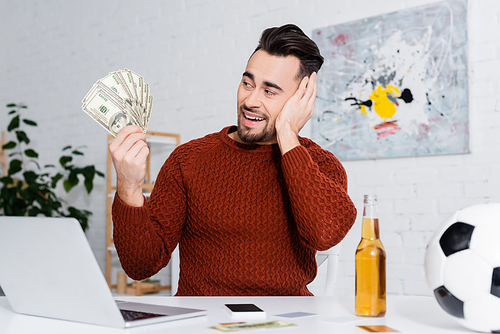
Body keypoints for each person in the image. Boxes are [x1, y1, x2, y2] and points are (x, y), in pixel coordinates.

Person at [109, 24, 357, 296]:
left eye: (269, 91)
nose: (250, 100)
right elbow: (140, 265)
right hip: (202, 320)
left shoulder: (320, 165)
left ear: (301, 99)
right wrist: (129, 188)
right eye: (247, 83)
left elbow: (323, 234)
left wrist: (288, 133)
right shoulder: (188, 160)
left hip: (286, 321)